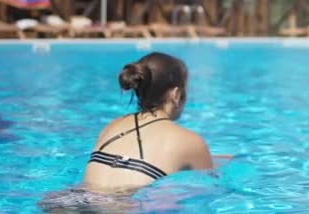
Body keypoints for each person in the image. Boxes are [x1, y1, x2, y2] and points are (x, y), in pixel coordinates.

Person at [83, 52, 213, 192]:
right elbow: (210, 191)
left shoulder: (111, 125)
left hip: (72, 200)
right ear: (176, 95)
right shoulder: (191, 142)